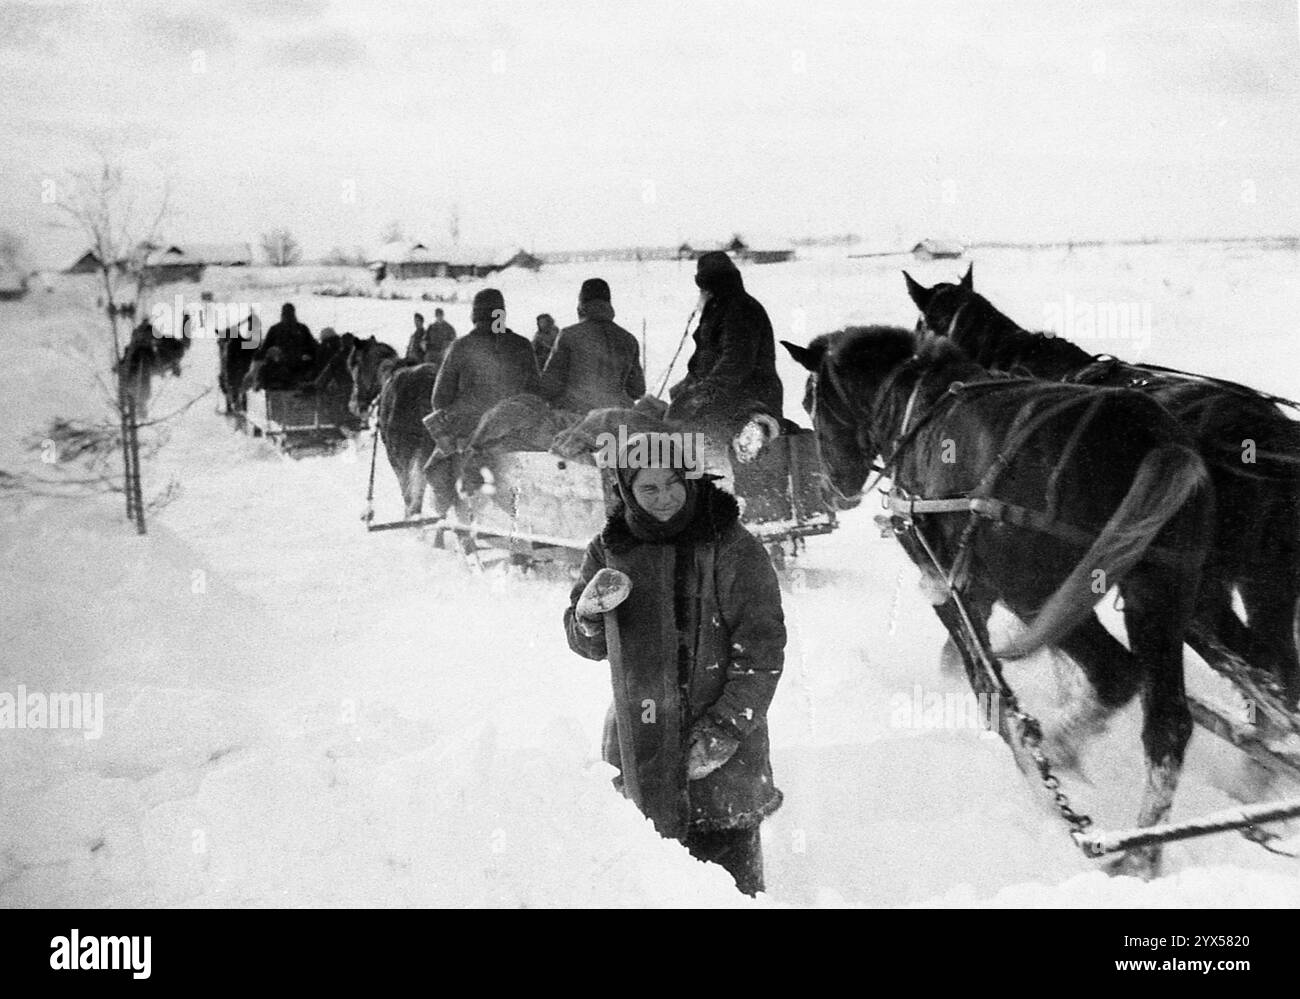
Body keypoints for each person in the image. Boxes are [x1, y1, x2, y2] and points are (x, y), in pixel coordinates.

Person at [563, 434, 786, 896]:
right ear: (627, 491)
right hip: (637, 740)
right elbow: (589, 644)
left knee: (727, 890)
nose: (664, 498)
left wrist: (722, 732)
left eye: (673, 484)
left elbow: (761, 652)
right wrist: (586, 619)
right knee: (647, 883)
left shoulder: (731, 548)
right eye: (649, 489)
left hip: (723, 760)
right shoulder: (609, 548)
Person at [667, 253, 783, 486]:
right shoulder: (722, 308)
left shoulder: (738, 309)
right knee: (672, 421)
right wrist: (685, 388)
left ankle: (719, 493)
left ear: (708, 287)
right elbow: (706, 360)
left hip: (749, 396)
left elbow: (736, 361)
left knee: (700, 434)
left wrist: (704, 392)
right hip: (729, 395)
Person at [428, 288, 539, 446]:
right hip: (516, 431)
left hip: (469, 434)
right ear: (502, 315)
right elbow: (536, 392)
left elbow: (439, 399)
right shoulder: (522, 344)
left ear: (474, 315)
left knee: (432, 466)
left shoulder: (461, 346)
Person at [540, 278, 646, 415]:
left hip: (576, 421)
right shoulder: (628, 339)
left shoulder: (568, 335)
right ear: (609, 304)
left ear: (581, 304)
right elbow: (638, 390)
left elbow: (548, 388)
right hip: (614, 420)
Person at [253, 302, 317, 386]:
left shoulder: (275, 329)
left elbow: (264, 349)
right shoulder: (302, 328)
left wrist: (256, 355)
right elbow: (313, 347)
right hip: (300, 367)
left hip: (280, 367)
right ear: (294, 314)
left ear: (282, 314)